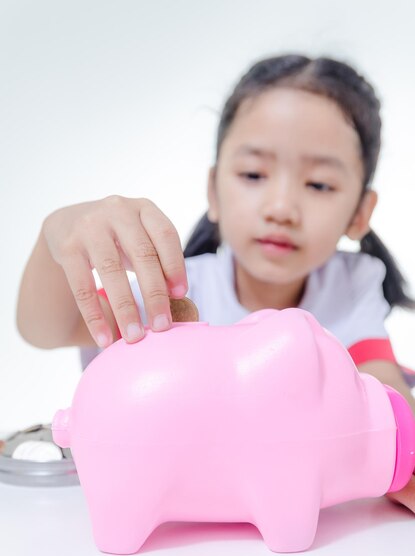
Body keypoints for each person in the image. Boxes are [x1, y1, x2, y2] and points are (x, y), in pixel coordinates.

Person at [16, 54, 415, 510]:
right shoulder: (172, 291)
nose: (281, 207)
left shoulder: (350, 286)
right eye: (253, 175)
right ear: (213, 190)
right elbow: (42, 329)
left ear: (360, 212)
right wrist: (54, 238)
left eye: (319, 185)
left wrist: (403, 459)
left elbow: (385, 391)